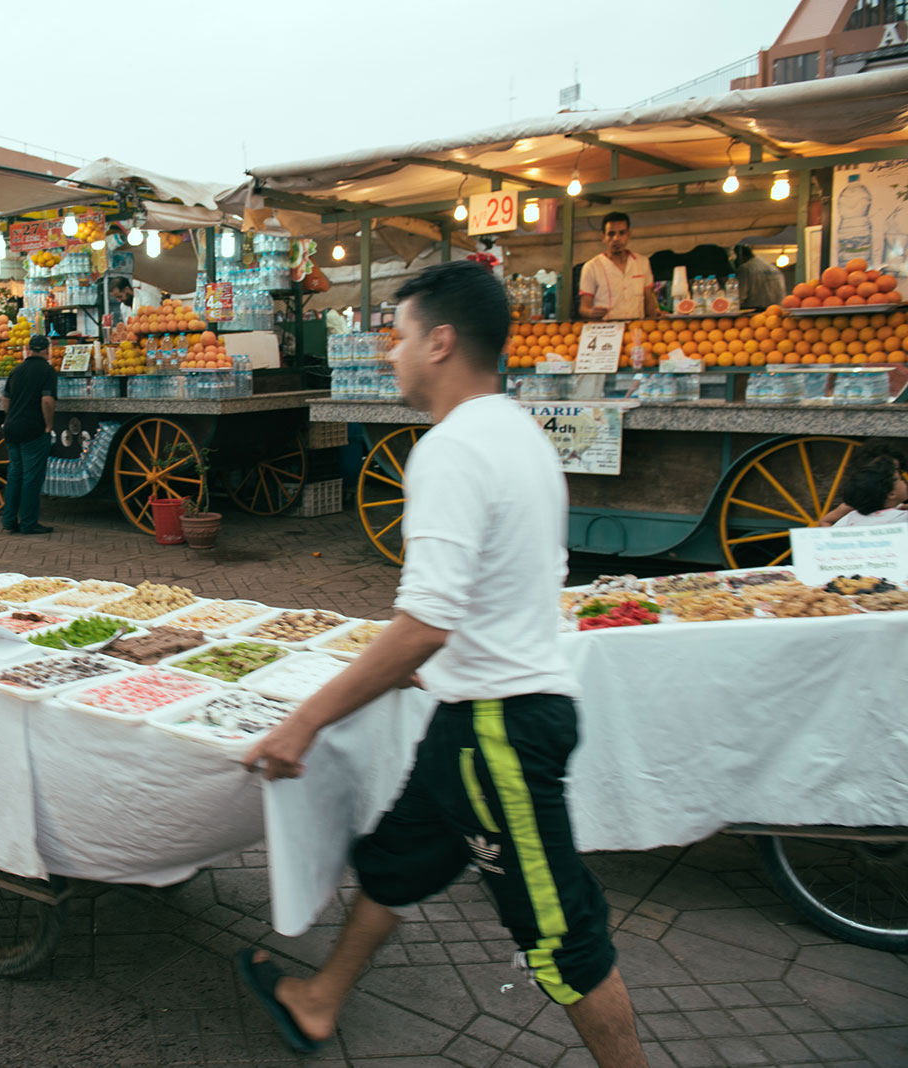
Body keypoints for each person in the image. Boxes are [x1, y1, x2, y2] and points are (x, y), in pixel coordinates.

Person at [237, 262, 647, 1067]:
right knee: (400, 860)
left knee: (564, 936)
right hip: (477, 717)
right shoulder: (518, 432)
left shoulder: (452, 451)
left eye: (399, 337)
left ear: (442, 341)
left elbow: (423, 624)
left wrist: (304, 722)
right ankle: (319, 1001)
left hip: (501, 728)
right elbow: (505, 585)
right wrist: (445, 656)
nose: (390, 354)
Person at [0, 334, 57, 535]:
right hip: (33, 429)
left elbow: (5, 401)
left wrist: (13, 417)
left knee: (15, 475)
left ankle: (8, 521)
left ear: (29, 349)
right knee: (31, 478)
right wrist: (48, 425)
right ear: (47, 351)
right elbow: (47, 400)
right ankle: (28, 522)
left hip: (11, 427)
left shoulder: (16, 370)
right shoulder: (47, 371)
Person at [579, 212, 659, 321]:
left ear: (628, 235)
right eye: (611, 234)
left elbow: (649, 300)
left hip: (636, 330)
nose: (616, 238)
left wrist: (656, 316)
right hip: (607, 332)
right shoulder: (591, 267)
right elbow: (583, 308)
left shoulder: (642, 262)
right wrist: (591, 313)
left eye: (622, 233)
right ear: (603, 237)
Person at [830, 453, 908, 528]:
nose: (904, 481)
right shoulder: (902, 518)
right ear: (891, 494)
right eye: (900, 479)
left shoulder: (849, 518)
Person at [733, 244, 786, 311]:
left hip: (754, 314)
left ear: (739, 256)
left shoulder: (745, 269)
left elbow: (739, 297)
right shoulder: (774, 268)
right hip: (776, 312)